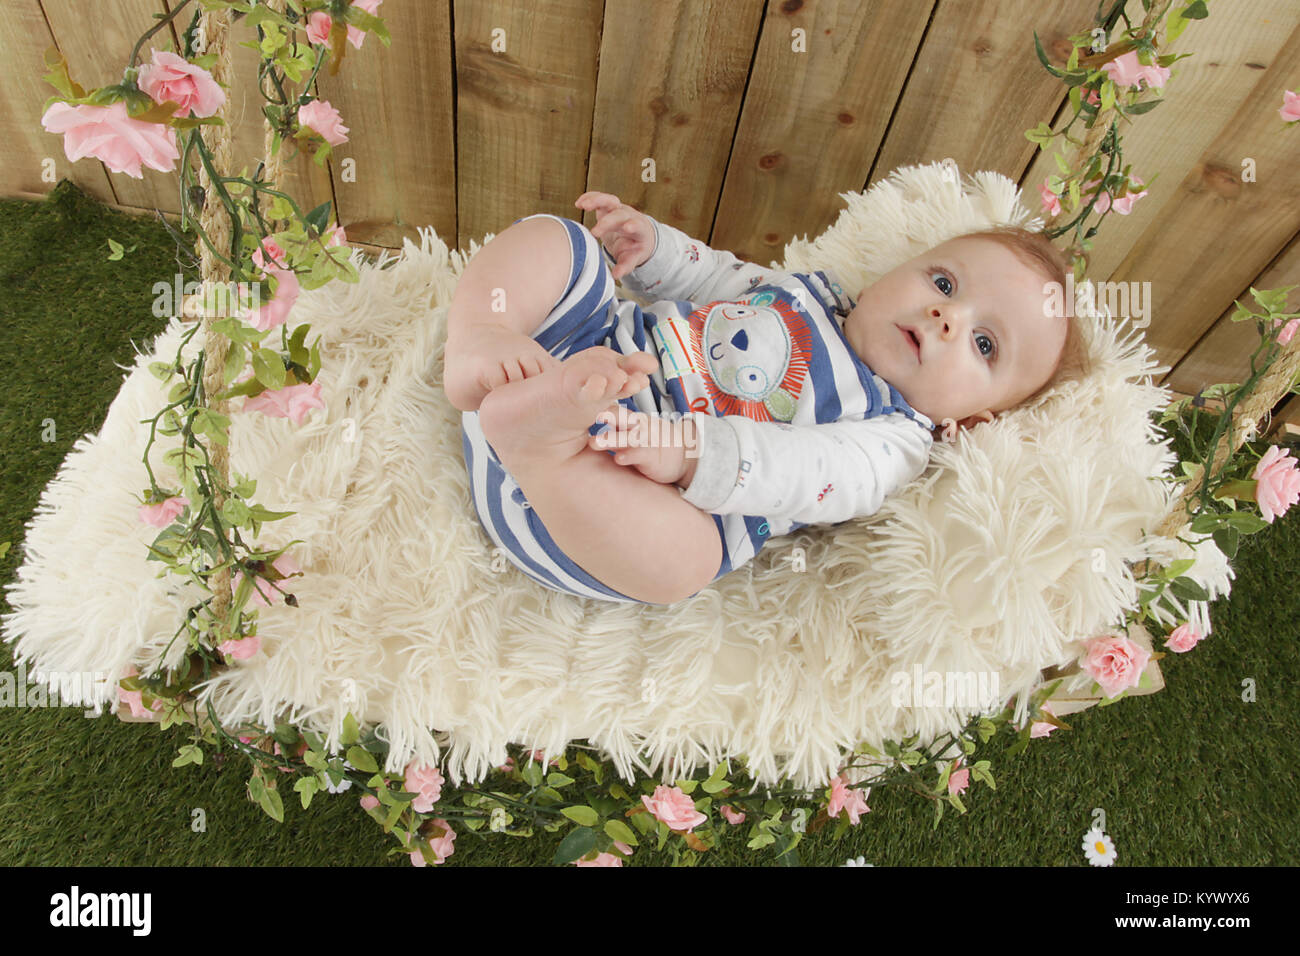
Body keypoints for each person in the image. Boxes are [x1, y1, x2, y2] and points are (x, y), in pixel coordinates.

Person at [444, 191, 1088, 606]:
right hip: (567, 363)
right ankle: (481, 339)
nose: (947, 316)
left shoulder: (893, 438)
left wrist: (691, 454)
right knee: (564, 244)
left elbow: (806, 470)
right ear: (902, 269)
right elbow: (719, 275)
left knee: (685, 563)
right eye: (944, 281)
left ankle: (541, 449)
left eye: (983, 345)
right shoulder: (814, 294)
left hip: (595, 511)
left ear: (970, 422)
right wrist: (655, 248)